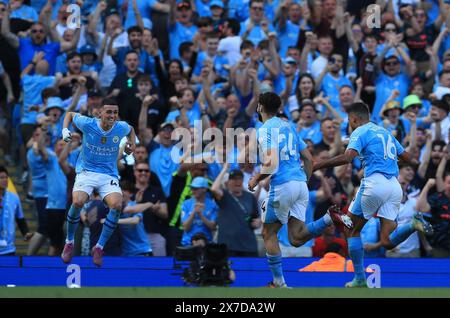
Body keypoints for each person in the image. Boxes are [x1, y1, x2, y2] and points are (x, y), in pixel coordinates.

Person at [313, 102, 433, 287]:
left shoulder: (360, 131)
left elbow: (347, 158)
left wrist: (317, 165)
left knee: (350, 228)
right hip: (394, 186)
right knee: (387, 242)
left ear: (354, 119)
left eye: (350, 121)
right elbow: (409, 159)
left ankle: (360, 279)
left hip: (374, 183)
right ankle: (412, 225)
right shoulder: (385, 132)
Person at [247, 92, 352, 288]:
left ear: (260, 107)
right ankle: (329, 219)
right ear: (279, 108)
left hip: (283, 185)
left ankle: (278, 282)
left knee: (268, 233)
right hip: (300, 184)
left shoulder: (263, 129)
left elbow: (270, 163)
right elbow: (308, 158)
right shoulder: (289, 127)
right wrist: (303, 180)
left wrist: (255, 178)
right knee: (296, 238)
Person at [60, 98, 136, 266]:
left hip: (108, 174)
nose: (112, 115)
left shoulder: (120, 127)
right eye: (109, 112)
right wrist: (65, 130)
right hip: (86, 171)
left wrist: (132, 144)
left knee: (117, 205)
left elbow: (131, 129)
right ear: (100, 112)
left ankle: (99, 247)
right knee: (78, 201)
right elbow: (70, 114)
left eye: (115, 112)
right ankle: (69, 242)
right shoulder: (88, 124)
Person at [0, 166, 32, 255]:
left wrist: (25, 233)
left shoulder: (14, 197)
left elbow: (20, 219)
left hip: (9, 249)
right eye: (1, 178)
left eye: (6, 177)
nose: (5, 180)